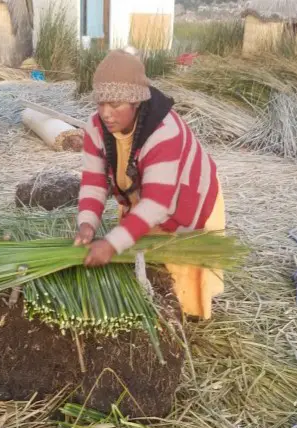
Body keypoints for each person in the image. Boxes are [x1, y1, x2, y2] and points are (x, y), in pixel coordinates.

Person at [74, 50, 225, 320]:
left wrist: (110, 244)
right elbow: (94, 181)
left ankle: (185, 322)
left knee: (179, 276)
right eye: (100, 104)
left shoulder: (165, 132)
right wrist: (87, 224)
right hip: (144, 199)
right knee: (146, 260)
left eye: (115, 104)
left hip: (187, 198)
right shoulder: (96, 127)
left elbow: (157, 204)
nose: (106, 113)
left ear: (136, 102)